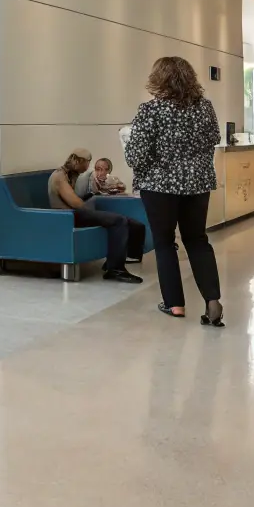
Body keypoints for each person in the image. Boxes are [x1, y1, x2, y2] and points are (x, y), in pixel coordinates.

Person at [125, 56, 225, 327]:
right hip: (197, 184)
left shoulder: (151, 110)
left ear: (159, 79)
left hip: (160, 187)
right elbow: (214, 138)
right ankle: (212, 300)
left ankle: (175, 304)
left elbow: (135, 156)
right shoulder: (205, 108)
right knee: (197, 240)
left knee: (164, 242)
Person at [49, 148, 145, 282]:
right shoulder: (59, 176)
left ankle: (118, 258)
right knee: (118, 221)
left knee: (135, 225)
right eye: (87, 163)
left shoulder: (71, 174)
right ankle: (115, 269)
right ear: (77, 161)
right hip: (68, 217)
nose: (88, 167)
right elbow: (76, 203)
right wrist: (94, 210)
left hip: (77, 214)